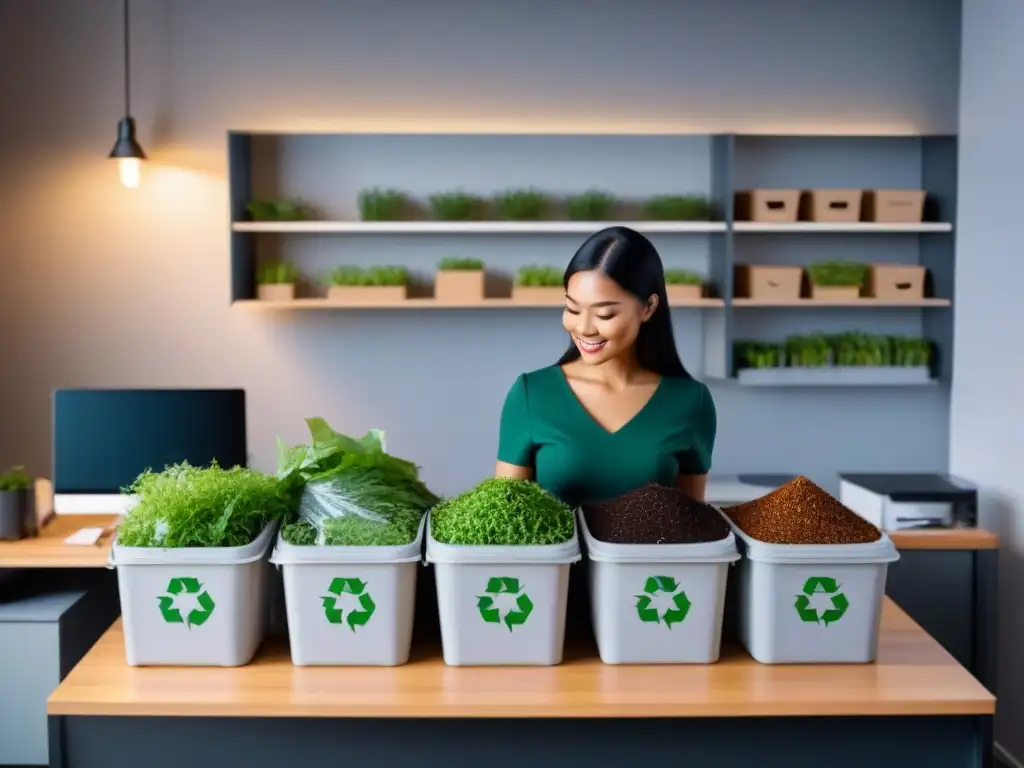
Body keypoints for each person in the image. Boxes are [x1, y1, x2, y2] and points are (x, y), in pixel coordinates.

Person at [495, 226, 717, 507]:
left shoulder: (691, 402)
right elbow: (502, 515)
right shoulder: (531, 394)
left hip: (656, 553)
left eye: (605, 314)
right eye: (572, 309)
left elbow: (690, 524)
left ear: (648, 307)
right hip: (560, 552)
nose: (584, 328)